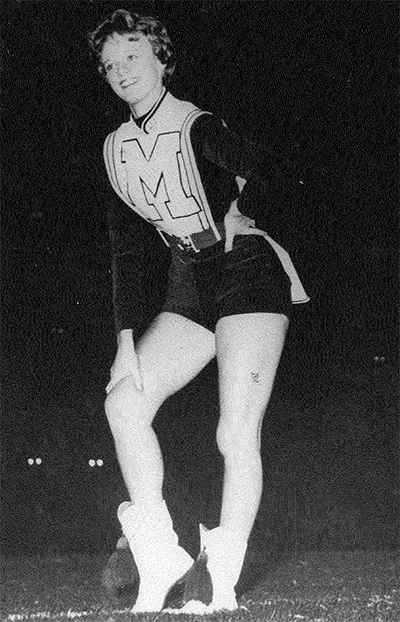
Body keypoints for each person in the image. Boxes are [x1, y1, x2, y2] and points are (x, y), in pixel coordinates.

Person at [88, 9, 309, 614]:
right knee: (123, 399)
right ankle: (158, 550)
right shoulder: (115, 150)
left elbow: (276, 163)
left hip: (245, 272)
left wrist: (248, 205)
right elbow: (126, 250)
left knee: (234, 429)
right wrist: (125, 340)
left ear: (161, 60)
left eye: (132, 56)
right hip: (189, 283)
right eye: (110, 64)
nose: (121, 71)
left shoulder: (200, 126)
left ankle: (221, 573)